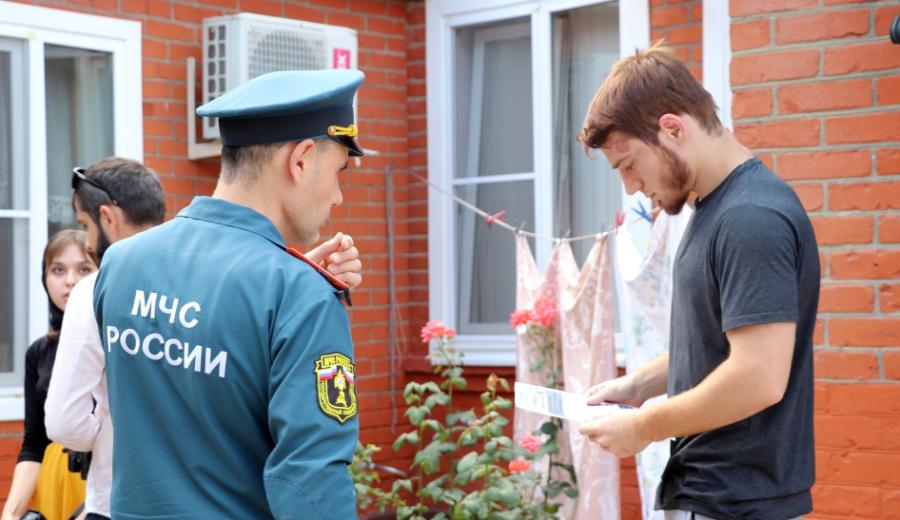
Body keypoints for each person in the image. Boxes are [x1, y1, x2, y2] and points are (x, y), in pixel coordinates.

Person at [90, 69, 366, 518]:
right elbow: (310, 480)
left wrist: (286, 279)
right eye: (338, 172)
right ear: (300, 161)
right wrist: (292, 288)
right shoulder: (302, 297)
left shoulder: (121, 263)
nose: (337, 196)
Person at [576, 44, 819, 520]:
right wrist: (639, 386)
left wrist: (644, 427)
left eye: (629, 163)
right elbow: (719, 344)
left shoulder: (750, 217)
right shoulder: (716, 209)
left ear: (673, 129)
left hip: (735, 503)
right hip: (716, 497)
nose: (630, 186)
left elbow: (759, 375)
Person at [2, 230, 96, 520]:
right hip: (54, 478)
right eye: (57, 270)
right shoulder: (38, 352)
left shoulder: (115, 343)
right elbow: (34, 442)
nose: (70, 281)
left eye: (84, 269)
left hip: (102, 480)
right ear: (44, 278)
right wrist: (10, 513)